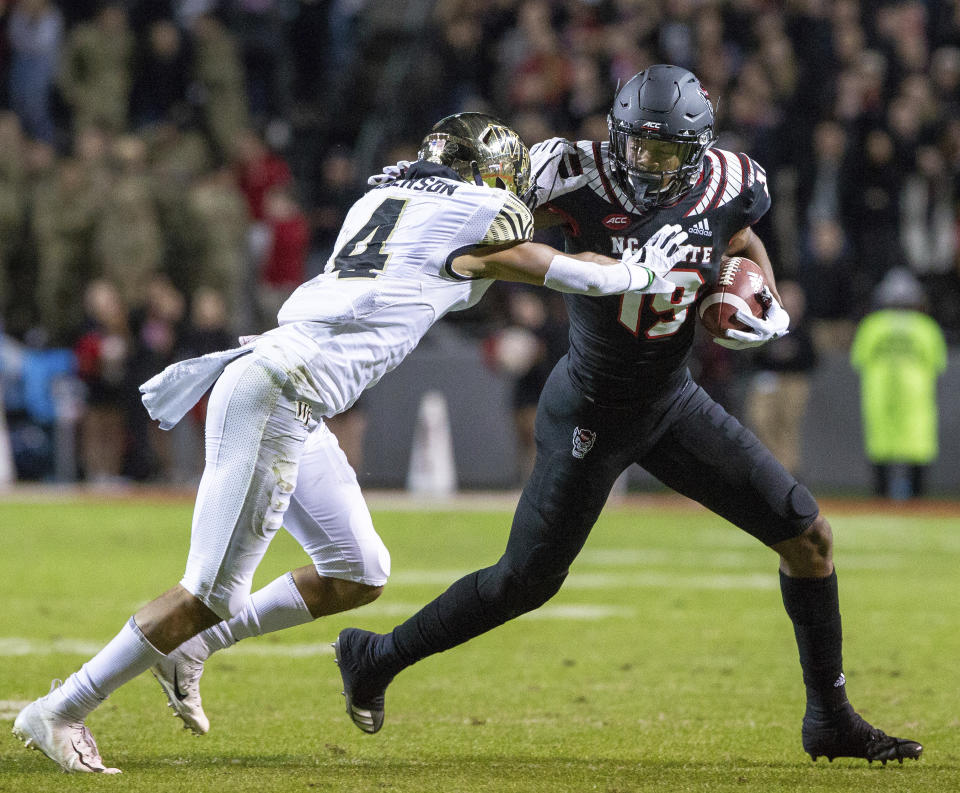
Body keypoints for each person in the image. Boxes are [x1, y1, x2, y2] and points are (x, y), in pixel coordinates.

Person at [11, 112, 688, 773]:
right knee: (208, 591)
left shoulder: (385, 193)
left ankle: (192, 648)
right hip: (279, 393)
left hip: (285, 387)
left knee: (357, 568)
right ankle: (63, 708)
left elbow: (470, 257)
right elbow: (562, 270)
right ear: (487, 176)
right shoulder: (473, 212)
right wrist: (646, 269)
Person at [334, 65, 923, 765]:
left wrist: (753, 282)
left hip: (672, 401)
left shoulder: (735, 182)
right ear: (614, 133)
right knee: (525, 581)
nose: (646, 164)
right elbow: (476, 224)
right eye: (636, 146)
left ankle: (830, 716)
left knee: (809, 537)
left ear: (698, 151)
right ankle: (375, 656)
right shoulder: (573, 172)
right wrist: (553, 267)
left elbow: (738, 240)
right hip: (589, 406)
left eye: (665, 152)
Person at [850, 267, 947, 499]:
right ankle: (918, 504)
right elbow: (938, 364)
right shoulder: (926, 327)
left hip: (880, 398)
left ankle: (881, 502)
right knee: (918, 452)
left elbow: (859, 360)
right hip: (916, 401)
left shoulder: (872, 325)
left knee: (881, 452)